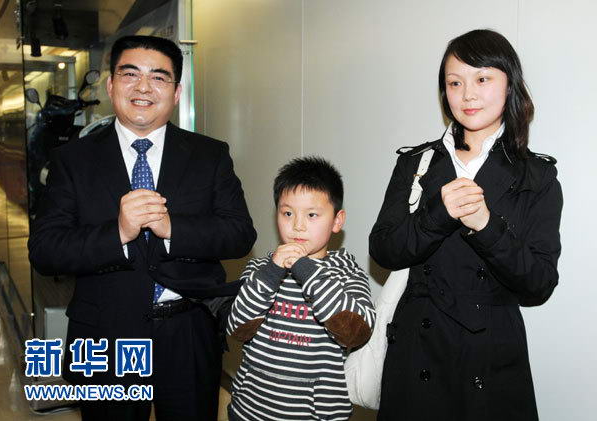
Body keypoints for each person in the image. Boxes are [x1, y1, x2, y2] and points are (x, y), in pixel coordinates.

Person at [28, 35, 256, 421]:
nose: (144, 87)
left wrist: (172, 229)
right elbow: (46, 250)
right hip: (105, 336)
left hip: (188, 333)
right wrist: (117, 232)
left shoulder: (210, 154)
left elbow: (239, 234)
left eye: (159, 77)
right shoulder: (72, 160)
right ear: (111, 85)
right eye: (130, 74)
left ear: (177, 92)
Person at [370, 29, 563, 421]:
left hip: (490, 356)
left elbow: (539, 283)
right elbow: (384, 250)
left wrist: (486, 226)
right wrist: (437, 215)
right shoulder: (416, 164)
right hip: (418, 351)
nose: (467, 94)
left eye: (482, 78)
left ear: (509, 85)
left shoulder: (536, 175)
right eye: (455, 83)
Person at [226, 157, 376, 421]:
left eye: (312, 215)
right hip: (250, 409)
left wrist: (305, 269)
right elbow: (237, 327)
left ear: (337, 220)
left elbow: (356, 331)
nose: (297, 225)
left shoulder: (347, 273)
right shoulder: (261, 269)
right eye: (287, 213)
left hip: (316, 414)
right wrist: (272, 272)